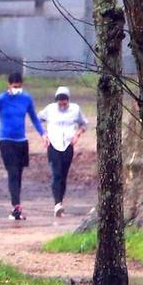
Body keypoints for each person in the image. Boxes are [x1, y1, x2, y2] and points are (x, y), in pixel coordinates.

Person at [0, 71, 47, 220]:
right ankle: (16, 206)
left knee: (18, 174)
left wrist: (43, 134)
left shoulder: (26, 98)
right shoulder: (0, 100)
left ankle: (16, 207)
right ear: (8, 85)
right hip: (6, 141)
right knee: (12, 172)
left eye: (19, 86)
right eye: (14, 86)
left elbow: (34, 118)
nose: (16, 88)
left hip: (21, 141)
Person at [43, 85, 88, 216]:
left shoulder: (75, 109)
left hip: (68, 145)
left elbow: (84, 123)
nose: (62, 103)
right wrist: (44, 134)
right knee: (56, 174)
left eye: (64, 100)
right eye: (59, 100)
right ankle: (57, 204)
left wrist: (77, 134)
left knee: (63, 176)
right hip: (53, 145)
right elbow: (37, 119)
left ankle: (60, 202)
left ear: (68, 100)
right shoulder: (50, 109)